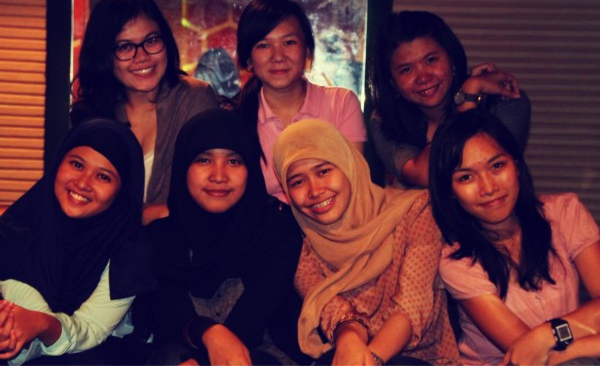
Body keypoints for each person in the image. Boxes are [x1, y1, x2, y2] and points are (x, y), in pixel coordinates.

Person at [273, 119, 459, 365]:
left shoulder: (415, 211)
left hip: (423, 359)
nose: (315, 190)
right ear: (287, 192)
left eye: (323, 171)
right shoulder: (299, 245)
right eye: (297, 182)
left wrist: (369, 359)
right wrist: (349, 337)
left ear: (348, 165)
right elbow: (330, 308)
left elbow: (412, 306)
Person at [429, 110, 600, 365]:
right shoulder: (457, 261)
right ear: (450, 192)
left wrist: (548, 334)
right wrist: (565, 342)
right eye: (466, 177)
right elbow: (527, 353)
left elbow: (542, 346)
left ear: (517, 165)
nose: (489, 188)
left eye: (497, 166)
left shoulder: (565, 213)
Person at [144, 109, 303, 365]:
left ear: (251, 167)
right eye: (204, 160)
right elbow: (166, 313)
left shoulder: (278, 230)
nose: (218, 176)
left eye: (234, 161)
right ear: (183, 166)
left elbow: (254, 319)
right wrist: (208, 333)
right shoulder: (161, 237)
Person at [0, 119, 154, 365]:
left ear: (121, 191)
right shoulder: (15, 229)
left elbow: (93, 329)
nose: (83, 183)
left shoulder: (131, 251)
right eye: (77, 164)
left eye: (103, 176)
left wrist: (43, 324)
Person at [70, 0, 218, 225]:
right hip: (104, 244)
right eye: (125, 46)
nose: (142, 57)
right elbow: (82, 199)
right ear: (104, 56)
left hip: (179, 243)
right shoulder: (92, 112)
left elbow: (205, 198)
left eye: (151, 40)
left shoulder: (195, 98)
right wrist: (147, 213)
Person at [369, 10, 530, 188]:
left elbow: (482, 170)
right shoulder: (384, 121)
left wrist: (470, 94)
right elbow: (426, 175)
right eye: (406, 69)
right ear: (392, 81)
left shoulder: (504, 102)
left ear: (451, 58)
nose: (423, 77)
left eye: (431, 60)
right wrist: (467, 98)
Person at [236, 0, 367, 204]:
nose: (278, 56)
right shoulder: (236, 118)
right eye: (263, 45)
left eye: (289, 42)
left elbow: (353, 185)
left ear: (307, 50)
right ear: (248, 60)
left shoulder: (341, 104)